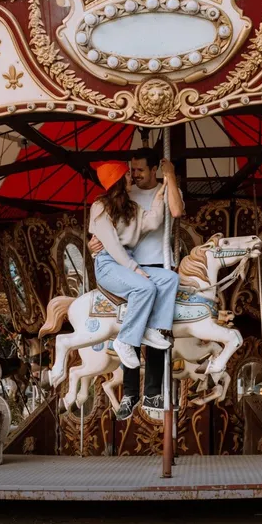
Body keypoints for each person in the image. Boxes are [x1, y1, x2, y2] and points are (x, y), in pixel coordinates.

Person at [89, 148, 184, 419]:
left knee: (169, 280)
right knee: (143, 293)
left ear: (154, 169)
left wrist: (166, 186)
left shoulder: (131, 205)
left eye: (139, 169)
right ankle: (129, 388)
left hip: (148, 265)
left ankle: (152, 386)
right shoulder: (104, 205)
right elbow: (111, 245)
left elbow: (157, 218)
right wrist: (130, 267)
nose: (134, 175)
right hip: (122, 265)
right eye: (130, 171)